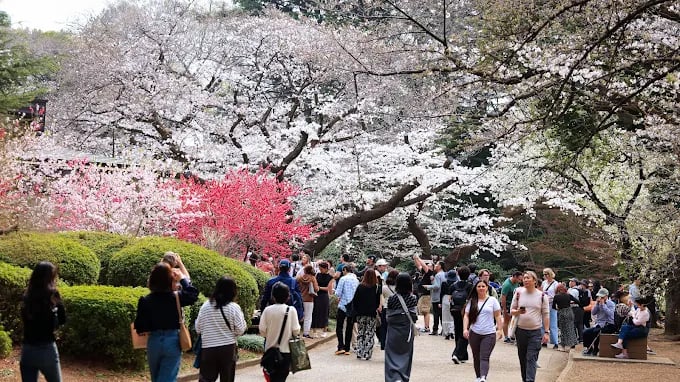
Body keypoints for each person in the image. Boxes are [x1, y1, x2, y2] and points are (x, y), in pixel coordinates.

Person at [134, 262, 199, 381]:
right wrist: (182, 279)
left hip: (154, 342)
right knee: (167, 378)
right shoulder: (176, 298)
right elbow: (193, 294)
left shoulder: (145, 301)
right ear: (171, 280)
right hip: (172, 341)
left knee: (156, 378)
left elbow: (140, 327)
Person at [20, 261, 66, 382]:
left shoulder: (27, 296)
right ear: (50, 277)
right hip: (47, 349)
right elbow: (62, 320)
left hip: (28, 350)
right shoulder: (52, 295)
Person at [195, 277, 247, 382]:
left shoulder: (205, 306)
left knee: (206, 379)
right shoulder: (233, 307)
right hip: (228, 349)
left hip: (208, 349)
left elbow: (198, 328)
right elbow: (240, 329)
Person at [510, 271, 550, 382]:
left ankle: (529, 380)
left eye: (528, 278)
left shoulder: (542, 296)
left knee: (531, 357)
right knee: (522, 358)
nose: (526, 280)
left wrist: (546, 332)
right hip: (520, 330)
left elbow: (546, 314)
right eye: (524, 278)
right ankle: (525, 379)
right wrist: (518, 311)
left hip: (535, 332)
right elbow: (511, 311)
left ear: (534, 281)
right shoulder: (518, 293)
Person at [259, 282, 301, 382]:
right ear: (288, 296)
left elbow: (262, 331)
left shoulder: (267, 310)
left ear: (273, 296)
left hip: (270, 352)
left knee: (272, 378)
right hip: (286, 352)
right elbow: (296, 331)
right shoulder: (291, 310)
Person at [463, 280, 503, 382]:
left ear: (487, 288)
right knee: (476, 356)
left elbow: (498, 315)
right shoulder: (472, 301)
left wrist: (500, 329)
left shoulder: (492, 300)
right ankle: (478, 376)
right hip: (474, 332)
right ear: (476, 288)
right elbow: (466, 315)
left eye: (483, 286)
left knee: (484, 356)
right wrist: (465, 329)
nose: (481, 288)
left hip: (489, 333)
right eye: (479, 286)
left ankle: (483, 377)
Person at [385, 272, 418, 382]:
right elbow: (414, 317)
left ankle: (393, 378)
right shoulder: (412, 298)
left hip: (393, 330)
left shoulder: (392, 299)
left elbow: (388, 316)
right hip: (406, 331)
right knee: (406, 355)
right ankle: (403, 377)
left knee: (391, 355)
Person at [352, 268, 381, 360]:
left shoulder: (360, 286)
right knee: (369, 333)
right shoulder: (376, 287)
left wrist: (355, 312)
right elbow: (377, 302)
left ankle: (359, 352)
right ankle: (367, 353)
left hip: (360, 313)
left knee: (361, 332)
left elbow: (355, 300)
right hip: (371, 313)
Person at [581, 287, 616, 356]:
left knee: (596, 332)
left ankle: (596, 349)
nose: (601, 298)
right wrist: (597, 304)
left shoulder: (611, 304)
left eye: (602, 297)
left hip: (608, 324)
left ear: (606, 296)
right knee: (585, 332)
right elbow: (593, 313)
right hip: (599, 323)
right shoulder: (598, 303)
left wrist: (603, 305)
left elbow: (611, 315)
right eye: (600, 296)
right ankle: (589, 348)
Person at [334, 264, 359, 355]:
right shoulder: (356, 280)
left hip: (343, 305)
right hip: (352, 306)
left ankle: (341, 346)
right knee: (349, 327)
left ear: (345, 270)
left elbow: (338, 293)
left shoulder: (343, 279)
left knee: (339, 326)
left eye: (343, 271)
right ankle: (347, 348)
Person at [450, 266, 473, 364]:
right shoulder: (470, 286)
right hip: (465, 311)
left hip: (455, 310)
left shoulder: (453, 285)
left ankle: (463, 355)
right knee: (465, 331)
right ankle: (457, 354)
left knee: (458, 330)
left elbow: (449, 298)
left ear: (458, 274)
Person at [552, 284, 579, 351]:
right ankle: (572, 344)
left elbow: (553, 306)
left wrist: (558, 308)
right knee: (571, 328)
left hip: (562, 312)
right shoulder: (568, 295)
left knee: (563, 329)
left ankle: (563, 346)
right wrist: (570, 302)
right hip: (569, 311)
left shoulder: (556, 296)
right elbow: (577, 301)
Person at [311, 261, 334, 338]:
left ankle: (324, 329)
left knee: (324, 312)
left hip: (324, 296)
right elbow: (315, 283)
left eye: (321, 269)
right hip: (317, 295)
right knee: (315, 312)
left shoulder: (330, 277)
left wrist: (319, 288)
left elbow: (329, 288)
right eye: (319, 268)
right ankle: (314, 330)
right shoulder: (318, 275)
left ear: (326, 269)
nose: (320, 270)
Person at [296, 265, 319, 338]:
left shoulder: (299, 278)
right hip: (309, 299)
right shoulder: (312, 278)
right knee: (308, 317)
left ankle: (297, 332)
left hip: (300, 298)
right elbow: (316, 289)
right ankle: (306, 333)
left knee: (298, 315)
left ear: (305, 270)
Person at [379, 270, 399, 349]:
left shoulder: (384, 287)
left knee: (384, 327)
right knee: (395, 328)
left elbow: (382, 297)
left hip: (386, 308)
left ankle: (384, 344)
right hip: (397, 309)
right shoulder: (399, 288)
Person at [500, 272, 522, 343]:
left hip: (513, 303)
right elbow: (503, 298)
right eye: (518, 279)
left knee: (513, 320)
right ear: (514, 276)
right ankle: (506, 337)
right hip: (507, 303)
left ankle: (511, 335)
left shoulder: (516, 283)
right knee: (506, 320)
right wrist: (504, 309)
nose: (520, 280)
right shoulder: (507, 285)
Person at [413, 255, 433, 333]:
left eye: (429, 265)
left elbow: (423, 265)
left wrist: (418, 258)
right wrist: (415, 259)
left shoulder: (430, 272)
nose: (427, 266)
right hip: (423, 294)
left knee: (425, 311)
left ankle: (427, 327)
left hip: (426, 294)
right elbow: (419, 265)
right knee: (423, 310)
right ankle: (426, 326)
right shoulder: (425, 273)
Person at [540, 268, 559, 348]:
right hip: (544, 304)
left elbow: (557, 294)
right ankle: (544, 340)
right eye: (544, 274)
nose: (545, 276)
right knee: (543, 323)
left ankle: (555, 342)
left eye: (546, 274)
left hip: (552, 304)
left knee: (553, 324)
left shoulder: (555, 284)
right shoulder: (544, 283)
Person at [441, 269, 458, 340]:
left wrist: (439, 302)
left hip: (445, 298)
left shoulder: (444, 283)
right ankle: (452, 331)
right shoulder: (456, 284)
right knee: (452, 316)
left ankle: (446, 332)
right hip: (453, 298)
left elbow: (441, 293)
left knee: (445, 316)